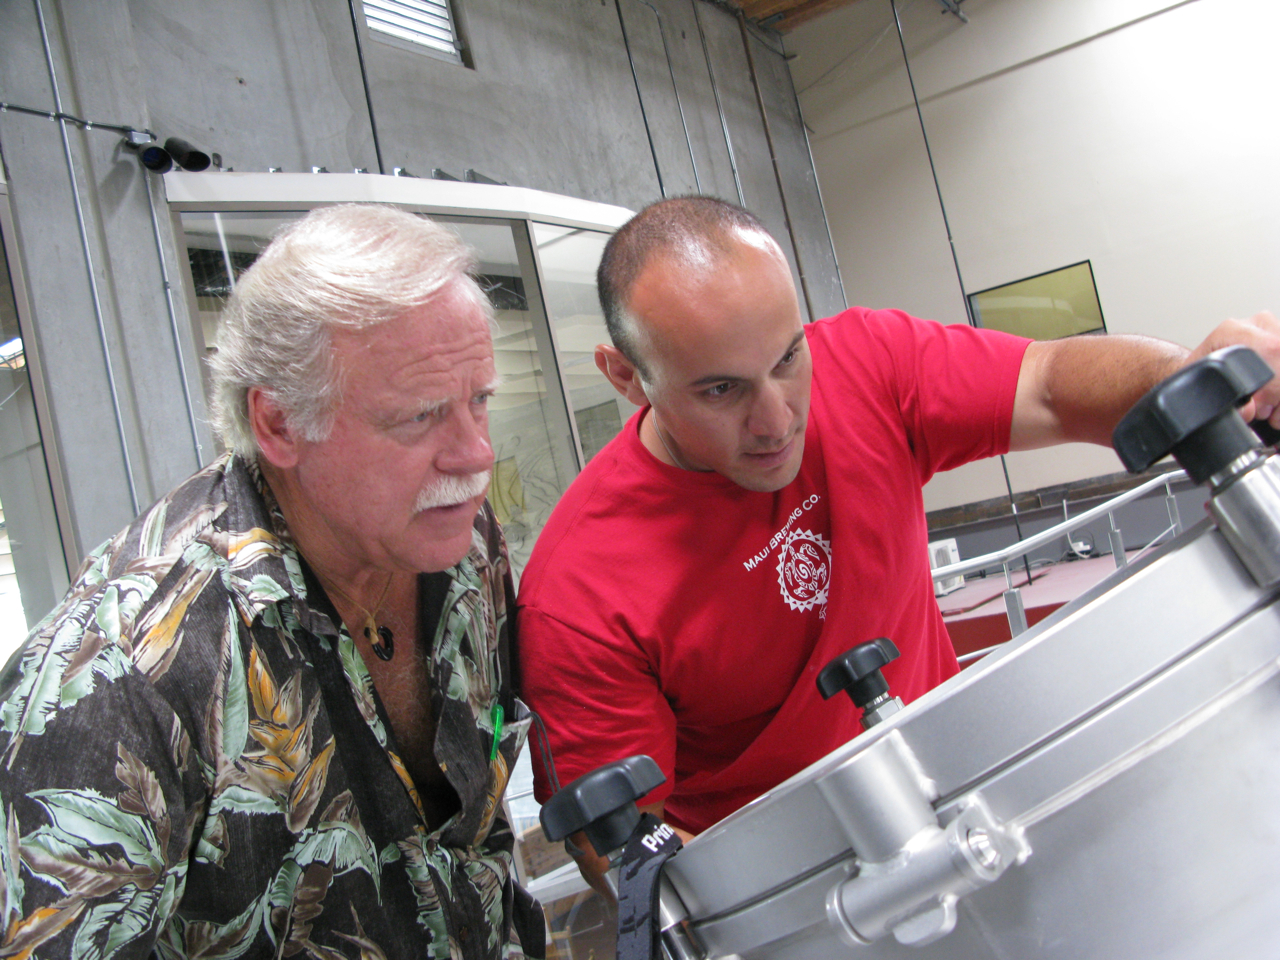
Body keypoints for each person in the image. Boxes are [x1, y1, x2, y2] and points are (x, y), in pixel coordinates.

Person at [516, 195, 1280, 882]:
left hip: (985, 815)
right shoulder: (580, 594)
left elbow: (1049, 383)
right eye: (721, 389)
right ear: (626, 378)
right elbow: (627, 856)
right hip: (807, 912)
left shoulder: (867, 365)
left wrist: (1192, 376)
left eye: (787, 357)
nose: (777, 419)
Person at [0, 205, 544, 959]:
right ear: (280, 424)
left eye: (479, 400)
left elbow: (473, 848)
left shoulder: (463, 549)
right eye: (420, 417)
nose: (475, 455)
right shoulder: (119, 673)